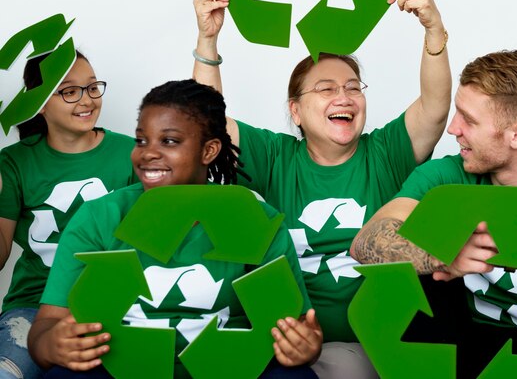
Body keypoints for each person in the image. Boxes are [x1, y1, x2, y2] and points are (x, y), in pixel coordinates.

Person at [191, 0, 452, 378]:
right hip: (288, 340)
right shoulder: (276, 156)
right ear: (295, 110)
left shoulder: (385, 151)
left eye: (353, 87)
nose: (344, 96)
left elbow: (435, 106)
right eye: (326, 89)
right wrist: (208, 41)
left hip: (375, 342)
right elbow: (208, 124)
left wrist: (433, 29)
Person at [350, 50, 517, 378]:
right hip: (460, 343)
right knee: (415, 272)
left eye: (469, 119)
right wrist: (442, 254)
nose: (453, 128)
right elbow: (366, 241)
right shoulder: (447, 174)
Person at [27, 80, 321, 379]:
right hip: (120, 367)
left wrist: (304, 346)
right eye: (141, 141)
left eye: (169, 141)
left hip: (227, 367)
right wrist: (51, 344)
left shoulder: (255, 219)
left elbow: (291, 325)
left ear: (209, 150)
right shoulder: (100, 218)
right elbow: (45, 327)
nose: (148, 153)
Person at [0, 51, 136, 379]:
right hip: (34, 306)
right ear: (41, 103)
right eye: (70, 91)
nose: (86, 100)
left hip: (117, 305)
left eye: (92, 87)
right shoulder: (15, 163)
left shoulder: (133, 154)